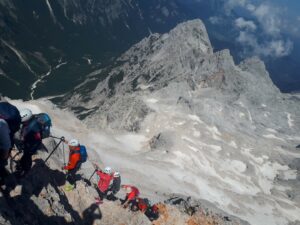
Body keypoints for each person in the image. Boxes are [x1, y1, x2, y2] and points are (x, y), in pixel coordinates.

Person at [16, 108, 42, 176]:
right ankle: (22, 165)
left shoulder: (34, 128)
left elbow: (37, 140)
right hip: (28, 144)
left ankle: (26, 170)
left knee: (27, 157)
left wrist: (31, 150)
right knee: (25, 156)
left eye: (23, 122)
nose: (22, 123)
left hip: (30, 147)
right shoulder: (30, 123)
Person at [0, 101, 21, 181]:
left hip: (5, 141)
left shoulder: (1, 125)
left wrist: (4, 158)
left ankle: (2, 173)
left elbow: (6, 145)